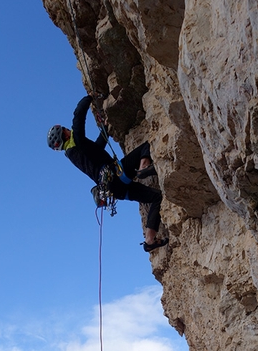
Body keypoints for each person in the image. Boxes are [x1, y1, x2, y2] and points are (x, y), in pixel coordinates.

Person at [47, 95, 168, 252]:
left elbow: (97, 150)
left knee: (156, 197)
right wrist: (87, 99)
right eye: (65, 129)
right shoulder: (77, 143)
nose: (68, 130)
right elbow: (78, 120)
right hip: (115, 175)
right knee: (146, 146)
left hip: (116, 189)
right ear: (64, 134)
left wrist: (104, 131)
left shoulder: (75, 153)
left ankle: (150, 239)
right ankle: (144, 167)